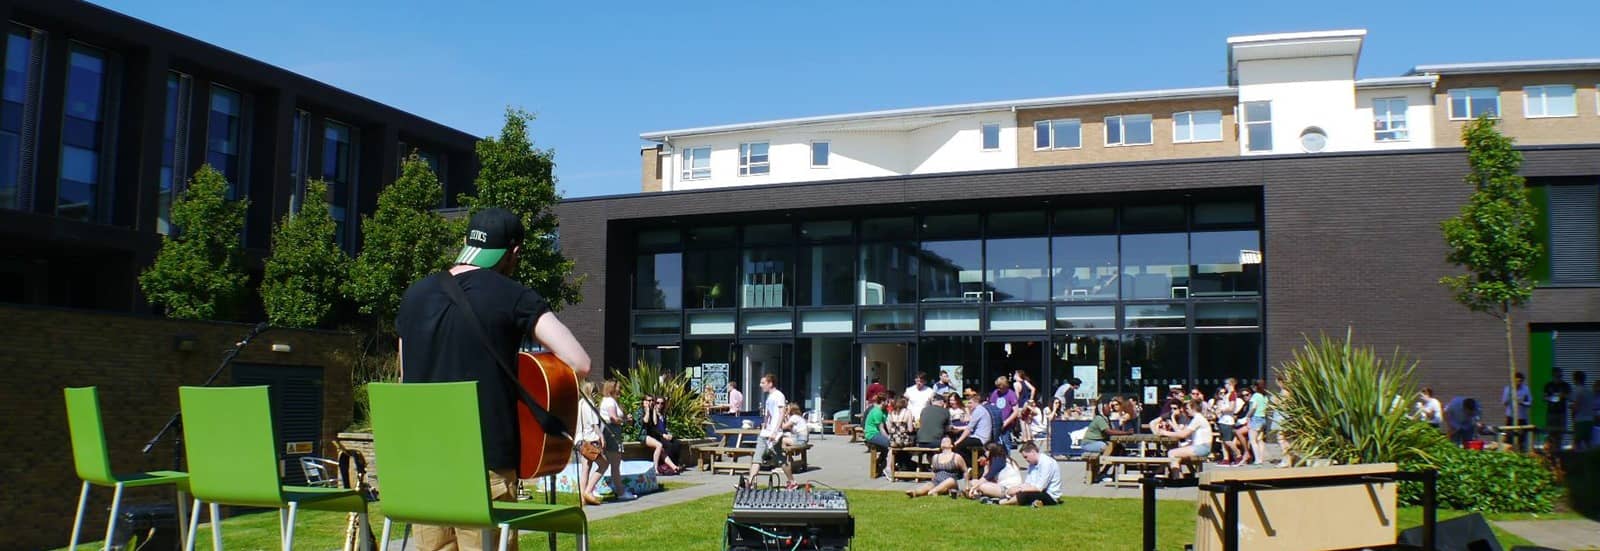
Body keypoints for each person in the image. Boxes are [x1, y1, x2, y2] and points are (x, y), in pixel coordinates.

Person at [395, 207, 594, 550]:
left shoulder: (413, 296)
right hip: (484, 463)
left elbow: (404, 376)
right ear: (513, 253)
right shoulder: (513, 295)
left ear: (466, 243)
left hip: (424, 465)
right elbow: (580, 362)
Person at [745, 373, 796, 489]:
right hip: (765, 432)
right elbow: (768, 414)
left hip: (775, 434)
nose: (760, 385)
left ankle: (792, 482)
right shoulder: (769, 397)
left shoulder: (779, 396)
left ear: (770, 383)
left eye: (763, 383)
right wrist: (764, 425)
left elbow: (782, 413)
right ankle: (750, 483)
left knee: (780, 459)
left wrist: (775, 431)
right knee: (757, 458)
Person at [1155, 399, 1213, 478]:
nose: (1186, 410)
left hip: (1202, 448)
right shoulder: (1198, 418)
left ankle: (1176, 478)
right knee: (1177, 453)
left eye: (1188, 408)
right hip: (1201, 447)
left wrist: (1165, 433)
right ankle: (1182, 475)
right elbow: (1181, 432)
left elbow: (1183, 435)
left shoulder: (1197, 419)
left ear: (1193, 409)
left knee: (1172, 453)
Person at [575, 381, 608, 506]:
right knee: (604, 464)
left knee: (585, 468)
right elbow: (594, 424)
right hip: (590, 440)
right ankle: (588, 491)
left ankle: (583, 498)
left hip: (580, 440)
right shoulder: (590, 404)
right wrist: (601, 436)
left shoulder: (580, 403)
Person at [999, 442, 1062, 507]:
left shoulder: (1047, 463)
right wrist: (1016, 488)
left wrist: (1020, 489)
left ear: (1033, 452)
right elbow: (1028, 483)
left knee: (1024, 494)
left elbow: (1040, 488)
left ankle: (1001, 503)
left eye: (1026, 457)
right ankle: (1034, 502)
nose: (1026, 459)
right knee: (1016, 491)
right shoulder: (1032, 464)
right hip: (1038, 492)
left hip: (1050, 496)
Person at [641, 394, 682, 475]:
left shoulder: (663, 414)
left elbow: (664, 427)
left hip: (662, 434)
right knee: (667, 445)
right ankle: (664, 466)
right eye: (657, 403)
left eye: (662, 403)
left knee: (677, 443)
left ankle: (675, 465)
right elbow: (654, 426)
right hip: (655, 435)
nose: (659, 405)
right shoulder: (649, 412)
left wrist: (669, 434)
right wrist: (652, 411)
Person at [884, 397, 918, 471]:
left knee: (891, 449)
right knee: (914, 444)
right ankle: (907, 464)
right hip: (904, 440)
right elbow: (910, 429)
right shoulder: (907, 412)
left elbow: (889, 428)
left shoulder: (891, 413)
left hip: (893, 440)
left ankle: (888, 467)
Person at [1503, 372, 1533, 448]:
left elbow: (1530, 403)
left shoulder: (1526, 389)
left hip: (1522, 417)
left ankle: (1521, 452)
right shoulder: (1508, 389)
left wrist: (1522, 403)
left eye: (1520, 381)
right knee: (1509, 438)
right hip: (1511, 417)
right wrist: (1510, 397)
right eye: (1517, 381)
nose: (1518, 383)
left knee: (1521, 438)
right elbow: (1504, 402)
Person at [863, 394, 890, 474]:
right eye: (887, 401)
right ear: (882, 402)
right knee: (891, 444)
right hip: (872, 434)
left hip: (878, 433)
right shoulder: (877, 412)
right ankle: (886, 468)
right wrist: (889, 438)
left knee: (889, 448)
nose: (888, 403)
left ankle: (881, 466)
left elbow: (888, 424)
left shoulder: (884, 411)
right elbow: (881, 428)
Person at [1545, 368, 1572, 447]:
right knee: (1550, 432)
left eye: (1560, 375)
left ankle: (1558, 449)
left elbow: (1570, 397)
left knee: (1560, 432)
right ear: (1553, 375)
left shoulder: (1565, 385)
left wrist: (1563, 395)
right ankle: (1550, 449)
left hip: (1561, 413)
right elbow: (1544, 397)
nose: (1559, 377)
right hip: (1551, 412)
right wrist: (1551, 398)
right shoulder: (1548, 385)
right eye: (1557, 375)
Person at [991, 376, 1020, 449]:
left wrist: (1006, 422)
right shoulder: (995, 393)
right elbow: (992, 406)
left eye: (1001, 387)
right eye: (998, 387)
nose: (999, 389)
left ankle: (1007, 458)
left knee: (1006, 443)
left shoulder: (1011, 394)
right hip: (996, 423)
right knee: (996, 444)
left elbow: (1016, 411)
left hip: (1006, 423)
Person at [1247, 382, 1270, 465]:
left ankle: (1257, 459)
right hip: (1262, 418)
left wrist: (1248, 416)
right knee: (1260, 440)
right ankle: (1261, 458)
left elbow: (1253, 407)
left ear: (1256, 387)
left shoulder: (1255, 396)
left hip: (1255, 418)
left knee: (1253, 440)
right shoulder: (1265, 397)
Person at [1571, 371, 1593, 451]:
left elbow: (1575, 406)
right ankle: (1592, 460)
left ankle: (1577, 462)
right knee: (1588, 443)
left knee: (1576, 443)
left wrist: (1573, 416)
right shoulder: (1589, 391)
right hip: (1589, 420)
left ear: (1575, 379)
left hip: (1580, 420)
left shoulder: (1577, 391)